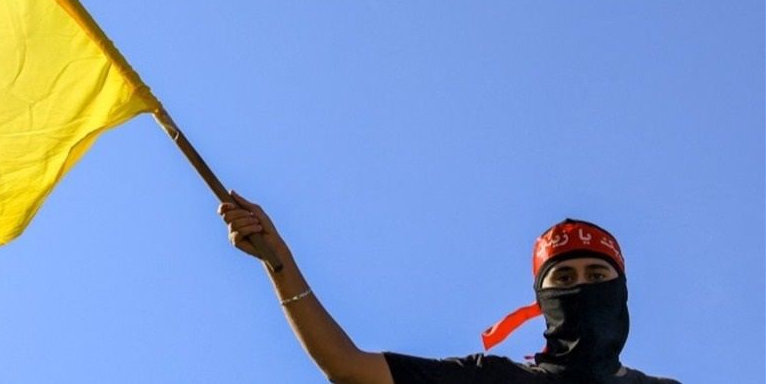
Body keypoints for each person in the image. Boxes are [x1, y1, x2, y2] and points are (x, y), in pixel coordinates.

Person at [218, 191, 679, 383]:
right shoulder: (493, 380)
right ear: (542, 299)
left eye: (596, 277)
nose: (580, 287)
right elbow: (348, 367)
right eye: (563, 278)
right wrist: (280, 263)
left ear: (620, 289)